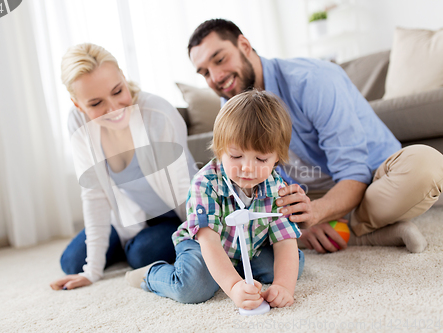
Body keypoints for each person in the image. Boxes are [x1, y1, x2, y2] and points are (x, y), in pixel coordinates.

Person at [186, 19, 443, 254]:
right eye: (205, 73)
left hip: (371, 183)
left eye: (219, 60)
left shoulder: (312, 80)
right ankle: (366, 230)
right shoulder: (231, 105)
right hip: (309, 194)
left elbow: (354, 173)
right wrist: (299, 215)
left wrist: (315, 213)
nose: (216, 78)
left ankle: (345, 228)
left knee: (426, 166)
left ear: (244, 45)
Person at [126, 90, 305, 310]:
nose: (247, 168)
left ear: (277, 157)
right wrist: (233, 287)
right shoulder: (205, 183)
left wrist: (283, 287)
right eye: (236, 156)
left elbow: (284, 241)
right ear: (220, 151)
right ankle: (151, 276)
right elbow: (209, 242)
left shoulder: (277, 188)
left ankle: (232, 271)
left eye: (261, 158)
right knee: (193, 287)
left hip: (248, 248)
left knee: (294, 262)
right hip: (204, 246)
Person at [50, 43, 197, 290]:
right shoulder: (78, 123)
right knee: (72, 262)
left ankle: (134, 245)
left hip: (175, 214)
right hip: (128, 215)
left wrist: (203, 243)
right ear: (78, 105)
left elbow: (182, 191)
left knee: (142, 255)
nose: (114, 109)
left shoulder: (157, 114)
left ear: (124, 79)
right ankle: (128, 242)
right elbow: (94, 192)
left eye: (118, 91)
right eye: (96, 103)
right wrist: (92, 271)